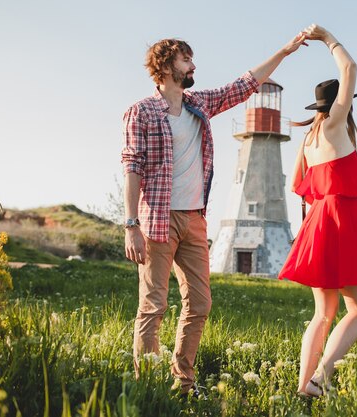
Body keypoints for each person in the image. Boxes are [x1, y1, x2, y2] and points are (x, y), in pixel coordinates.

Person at [121, 33, 307, 396]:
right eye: (186, 60)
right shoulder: (141, 112)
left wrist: (284, 50)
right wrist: (131, 224)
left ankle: (183, 382)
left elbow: (244, 85)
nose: (193, 66)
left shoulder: (199, 105)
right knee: (153, 306)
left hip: (194, 220)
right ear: (166, 66)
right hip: (157, 219)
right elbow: (132, 167)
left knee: (200, 304)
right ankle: (148, 388)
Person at [278, 24, 357, 397]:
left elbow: (297, 187)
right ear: (338, 105)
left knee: (322, 314)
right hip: (341, 219)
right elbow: (349, 69)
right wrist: (327, 37)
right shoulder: (335, 125)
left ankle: (304, 386)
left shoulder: (309, 138)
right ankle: (321, 377)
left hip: (318, 221)